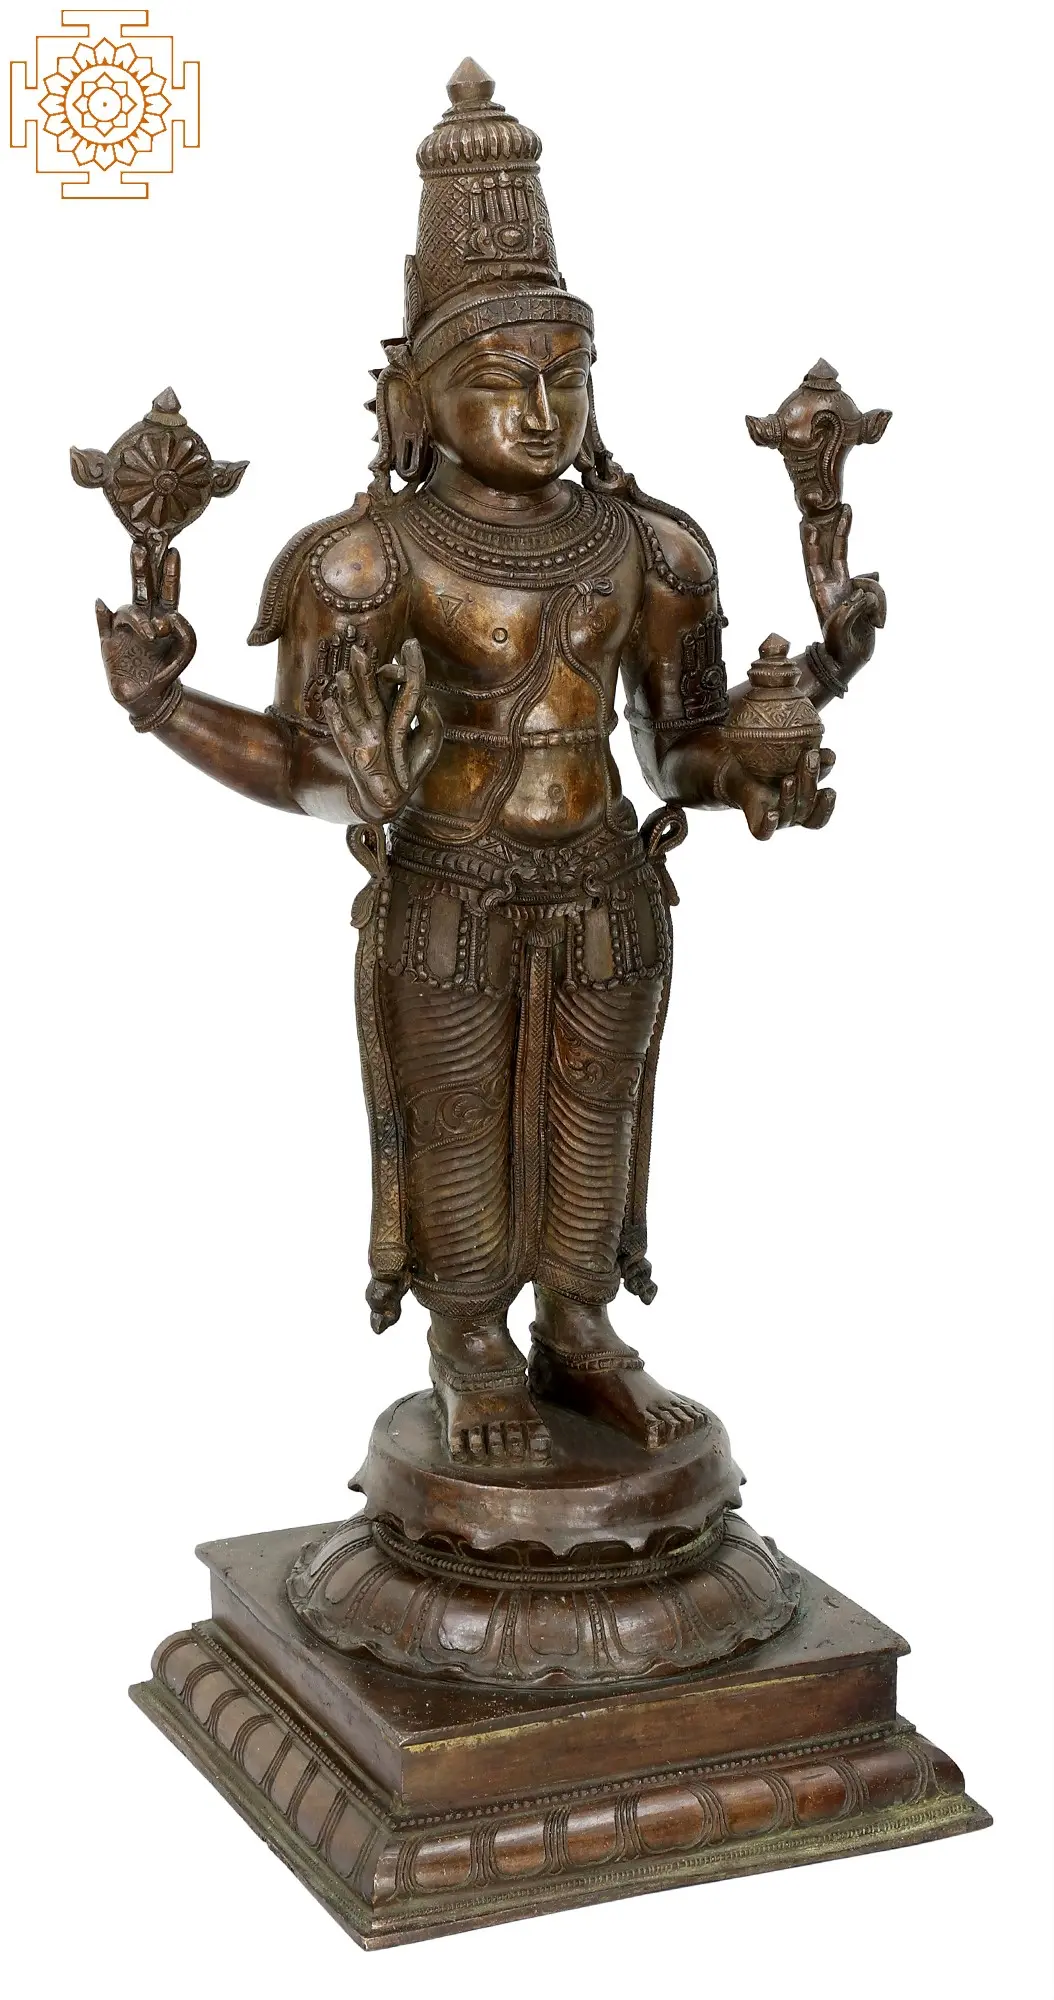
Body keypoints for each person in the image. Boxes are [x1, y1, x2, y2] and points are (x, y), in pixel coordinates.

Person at [95, 61, 845, 1465]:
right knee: (454, 1114)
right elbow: (311, 761)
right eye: (502, 381)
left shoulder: (653, 547)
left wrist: (757, 765)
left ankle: (581, 1325)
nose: (542, 408)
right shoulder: (366, 561)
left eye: (567, 376)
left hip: (605, 877)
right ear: (416, 398)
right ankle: (470, 1341)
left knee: (594, 1106)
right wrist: (167, 706)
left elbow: (676, 745)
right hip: (450, 883)